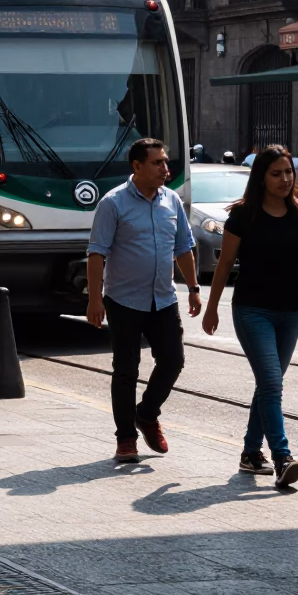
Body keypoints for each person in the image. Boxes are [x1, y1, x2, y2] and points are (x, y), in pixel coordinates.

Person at [202, 145, 298, 486]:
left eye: (289, 173)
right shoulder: (243, 215)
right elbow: (224, 264)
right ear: (262, 178)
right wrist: (212, 308)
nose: (286, 179)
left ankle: (250, 453)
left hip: (290, 312)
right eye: (277, 174)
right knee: (271, 382)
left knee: (268, 384)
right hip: (252, 310)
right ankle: (282, 456)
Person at [87, 138, 202, 463]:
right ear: (137, 167)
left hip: (163, 299)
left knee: (173, 360)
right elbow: (96, 253)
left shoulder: (171, 201)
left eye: (165, 162)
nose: (165, 169)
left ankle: (147, 413)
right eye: (157, 163)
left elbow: (183, 247)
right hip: (123, 300)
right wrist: (95, 300)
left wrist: (193, 287)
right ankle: (126, 439)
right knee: (126, 369)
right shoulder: (113, 203)